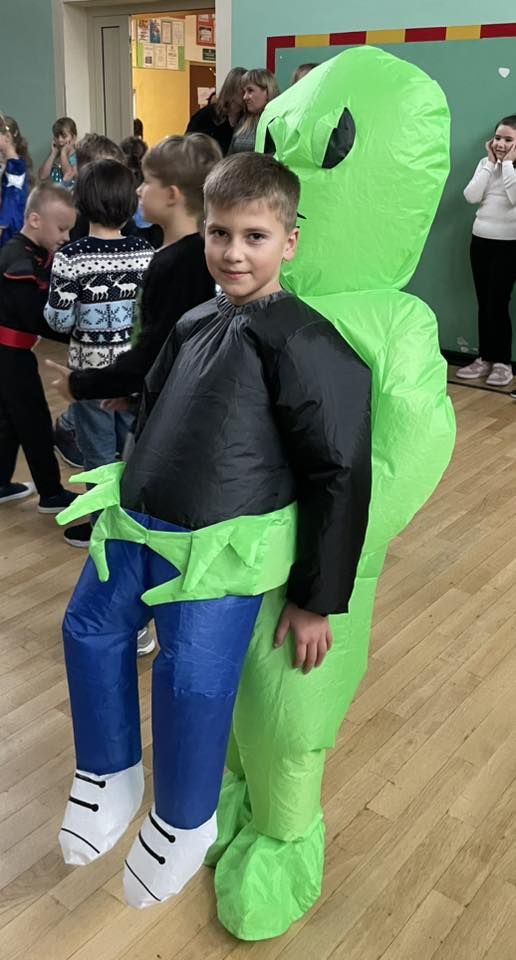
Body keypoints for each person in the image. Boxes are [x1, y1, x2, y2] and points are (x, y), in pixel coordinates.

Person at [53, 151, 372, 915]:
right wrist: (136, 411)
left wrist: (316, 598)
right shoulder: (197, 319)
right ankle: (108, 772)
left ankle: (184, 818)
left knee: (192, 677)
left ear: (289, 241)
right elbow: (163, 395)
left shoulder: (306, 341)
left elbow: (339, 470)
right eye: (220, 233)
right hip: (137, 526)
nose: (233, 252)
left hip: (219, 550)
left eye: (255, 236)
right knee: (87, 630)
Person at [46, 133, 221, 410]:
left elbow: (154, 351)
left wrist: (79, 385)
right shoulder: (180, 254)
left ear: (171, 195)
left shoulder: (180, 263)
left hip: (175, 407)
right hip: (166, 396)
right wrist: (135, 395)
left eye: (148, 182)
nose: (139, 190)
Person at [44, 159, 153, 547]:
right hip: (133, 370)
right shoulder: (146, 251)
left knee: (97, 452)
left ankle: (102, 527)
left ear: (81, 202)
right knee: (131, 447)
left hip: (90, 373)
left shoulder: (71, 256)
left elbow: (58, 320)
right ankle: (132, 520)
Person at [0, 182, 78, 511]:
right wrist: (79, 335)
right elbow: (35, 317)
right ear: (35, 220)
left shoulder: (28, 253)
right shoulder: (18, 260)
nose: (66, 237)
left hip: (12, 354)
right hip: (10, 356)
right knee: (34, 423)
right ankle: (51, 493)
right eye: (61, 228)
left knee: (9, 420)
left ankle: (1, 483)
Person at [459, 114, 516, 387]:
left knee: (498, 302)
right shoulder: (485, 164)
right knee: (484, 302)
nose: (501, 144)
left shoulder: (512, 170)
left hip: (509, 246)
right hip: (481, 242)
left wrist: (507, 165)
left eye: (508, 140)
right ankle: (484, 358)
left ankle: (503, 363)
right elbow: (471, 196)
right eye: (498, 138)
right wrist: (491, 164)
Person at [187, 66, 246, 155]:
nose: (247, 95)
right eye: (243, 90)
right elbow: (188, 145)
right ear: (232, 88)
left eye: (250, 90)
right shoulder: (207, 115)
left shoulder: (247, 119)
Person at [229, 68, 279, 154]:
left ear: (267, 92)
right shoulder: (244, 121)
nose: (245, 97)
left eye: (250, 90)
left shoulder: (277, 122)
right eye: (244, 92)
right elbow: (230, 154)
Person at [0, 114, 32, 249]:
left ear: (7, 137)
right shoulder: (9, 164)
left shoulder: (15, 166)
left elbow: (11, 199)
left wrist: (1, 225)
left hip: (11, 227)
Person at [38, 117, 78, 188]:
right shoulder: (55, 155)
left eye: (64, 136)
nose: (60, 140)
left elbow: (68, 177)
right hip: (54, 193)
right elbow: (42, 176)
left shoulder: (77, 157)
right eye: (57, 136)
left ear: (74, 138)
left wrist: (63, 154)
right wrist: (53, 154)